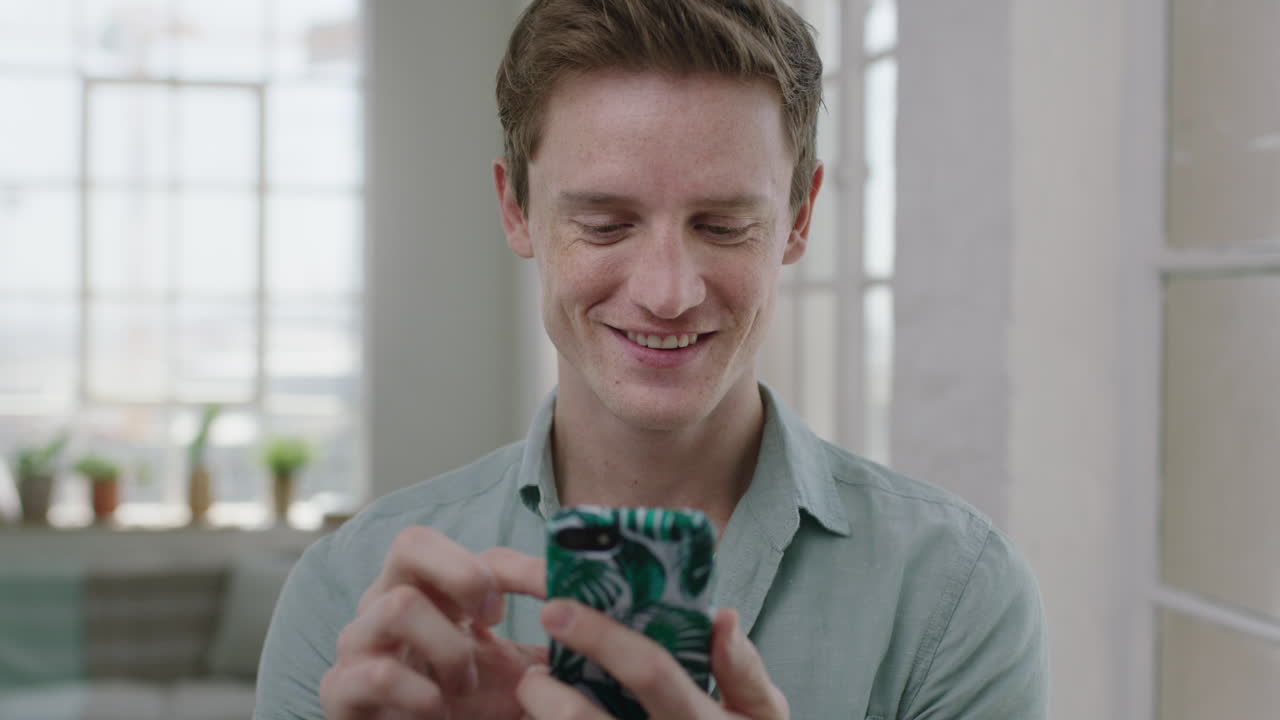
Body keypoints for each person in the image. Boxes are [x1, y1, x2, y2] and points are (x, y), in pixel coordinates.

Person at [254, 0, 1049, 718]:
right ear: (516, 209)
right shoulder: (349, 597)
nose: (667, 292)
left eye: (724, 225)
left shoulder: (955, 593)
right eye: (604, 224)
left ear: (800, 218)